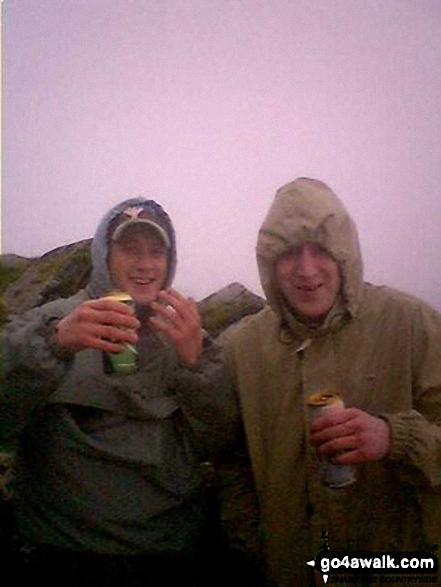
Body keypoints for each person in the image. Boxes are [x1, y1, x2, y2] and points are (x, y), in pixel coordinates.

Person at [1, 198, 239, 587]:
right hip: (60, 555)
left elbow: (220, 442)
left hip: (168, 556)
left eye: (157, 252)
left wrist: (195, 367)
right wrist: (54, 345)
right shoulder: (54, 321)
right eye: (130, 249)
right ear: (103, 255)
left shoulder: (188, 337)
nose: (145, 265)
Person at [221, 178, 441, 586]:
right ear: (269, 260)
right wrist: (255, 541)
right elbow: (232, 463)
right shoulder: (241, 349)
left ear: (346, 253)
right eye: (288, 252)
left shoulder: (411, 325)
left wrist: (396, 438)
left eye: (322, 249)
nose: (307, 271)